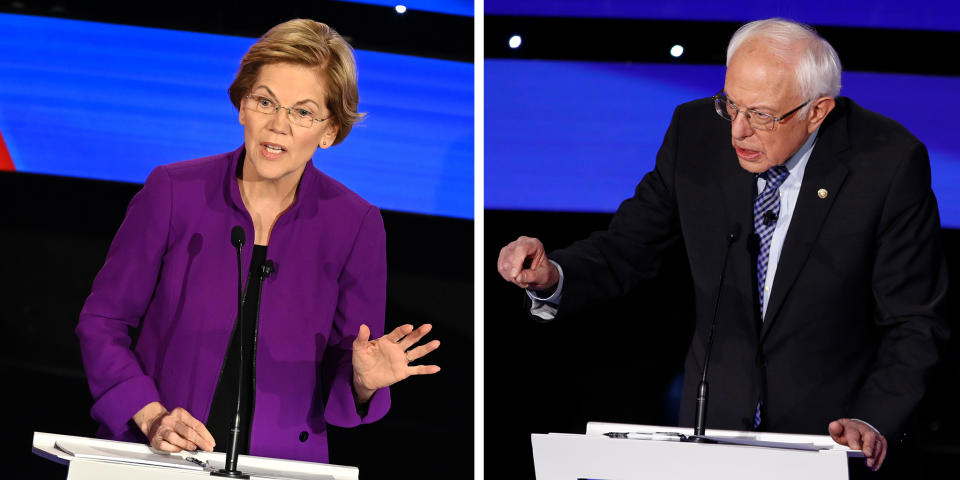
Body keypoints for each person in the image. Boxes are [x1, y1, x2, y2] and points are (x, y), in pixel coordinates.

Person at [497, 18, 948, 472]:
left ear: (818, 111)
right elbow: (627, 246)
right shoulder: (695, 134)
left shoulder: (887, 163)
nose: (738, 131)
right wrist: (552, 275)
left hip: (829, 441)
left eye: (762, 115)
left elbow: (914, 320)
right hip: (711, 433)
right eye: (731, 105)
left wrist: (872, 418)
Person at [76, 19, 440, 464]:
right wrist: (151, 417)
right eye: (265, 101)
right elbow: (103, 323)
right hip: (155, 459)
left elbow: (345, 376)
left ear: (330, 131)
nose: (278, 125)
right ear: (242, 106)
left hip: (279, 466)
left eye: (303, 112)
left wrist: (363, 381)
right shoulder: (173, 191)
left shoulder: (356, 225)